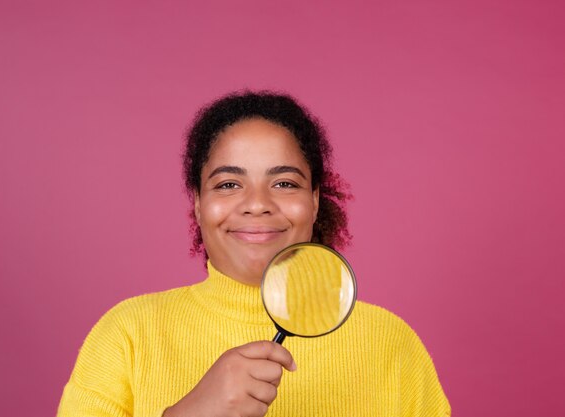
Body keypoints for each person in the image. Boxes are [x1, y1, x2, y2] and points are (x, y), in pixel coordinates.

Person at [57, 91, 451, 417]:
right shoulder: (127, 335)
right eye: (228, 184)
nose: (257, 204)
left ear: (314, 201)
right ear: (197, 204)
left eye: (283, 182)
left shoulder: (390, 342)